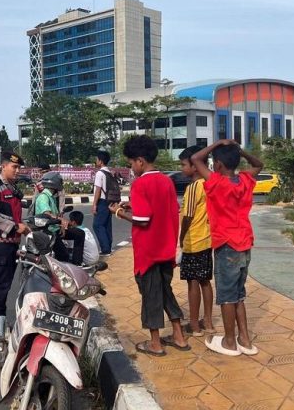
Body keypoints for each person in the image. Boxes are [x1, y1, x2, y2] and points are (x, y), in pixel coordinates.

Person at [110, 135, 189, 356]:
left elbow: (143, 220)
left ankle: (155, 343)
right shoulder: (166, 181)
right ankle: (179, 336)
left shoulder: (140, 183)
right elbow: (165, 210)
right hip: (166, 249)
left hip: (148, 252)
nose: (131, 168)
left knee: (150, 296)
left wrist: (119, 212)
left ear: (140, 161)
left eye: (131, 163)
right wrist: (132, 204)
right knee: (165, 292)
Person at [189, 139, 263, 357]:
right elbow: (259, 164)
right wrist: (239, 151)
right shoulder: (245, 180)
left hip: (226, 245)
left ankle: (230, 342)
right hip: (245, 243)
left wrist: (217, 143)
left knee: (227, 296)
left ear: (218, 164)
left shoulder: (216, 182)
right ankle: (245, 340)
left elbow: (195, 159)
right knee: (238, 294)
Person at [0, 151, 30, 342]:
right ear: (3, 166)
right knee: (1, 288)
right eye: (14, 167)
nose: (17, 171)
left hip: (11, 244)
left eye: (19, 167)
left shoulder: (12, 189)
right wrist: (15, 226)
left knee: (8, 286)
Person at [177, 146, 215, 337]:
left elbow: (188, 216)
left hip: (193, 240)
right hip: (207, 240)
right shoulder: (209, 184)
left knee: (193, 283)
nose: (182, 168)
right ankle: (208, 322)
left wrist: (180, 238)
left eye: (184, 164)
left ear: (194, 166)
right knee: (205, 282)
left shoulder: (193, 188)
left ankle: (194, 324)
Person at [34, 171, 85, 266]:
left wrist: (61, 225)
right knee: (64, 256)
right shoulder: (43, 197)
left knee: (79, 233)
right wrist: (62, 220)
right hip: (48, 232)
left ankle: (77, 263)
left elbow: (55, 215)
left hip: (55, 229)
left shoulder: (51, 197)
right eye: (60, 182)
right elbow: (47, 213)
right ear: (54, 183)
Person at [92, 150, 114, 256]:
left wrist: (94, 204)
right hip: (109, 201)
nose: (96, 161)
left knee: (97, 225)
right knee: (106, 225)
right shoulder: (109, 172)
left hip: (102, 201)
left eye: (96, 159)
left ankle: (105, 249)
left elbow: (98, 190)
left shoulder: (100, 173)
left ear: (100, 161)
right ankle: (108, 247)